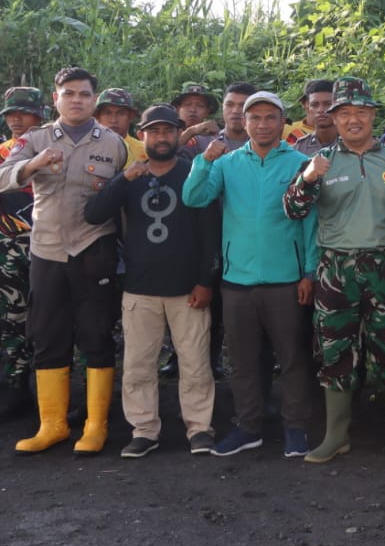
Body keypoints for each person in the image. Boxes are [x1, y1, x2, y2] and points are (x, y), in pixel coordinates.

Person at [283, 77, 385, 463]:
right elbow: (292, 210)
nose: (353, 119)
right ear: (334, 117)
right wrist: (309, 178)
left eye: (361, 111)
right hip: (336, 269)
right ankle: (336, 436)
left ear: (373, 115)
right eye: (345, 113)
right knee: (335, 351)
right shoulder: (321, 161)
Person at [182, 90, 317, 459]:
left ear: (283, 122)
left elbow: (310, 222)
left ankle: (296, 428)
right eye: (254, 117)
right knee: (241, 360)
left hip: (286, 279)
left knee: (292, 358)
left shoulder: (299, 163)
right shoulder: (227, 163)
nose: (262, 124)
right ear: (243, 121)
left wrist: (309, 272)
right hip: (237, 280)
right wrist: (204, 161)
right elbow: (194, 198)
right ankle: (248, 427)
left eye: (270, 117)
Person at [0, 67, 127, 455]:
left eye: (84, 94)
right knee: (47, 335)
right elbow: (3, 176)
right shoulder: (34, 139)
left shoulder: (113, 143)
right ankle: (52, 425)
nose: (76, 100)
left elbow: (124, 198)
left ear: (94, 100)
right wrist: (32, 165)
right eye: (68, 93)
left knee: (96, 335)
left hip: (94, 249)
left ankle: (95, 425)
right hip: (48, 250)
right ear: (55, 99)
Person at [83, 104, 220, 458]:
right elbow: (93, 214)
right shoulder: (130, 177)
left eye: (168, 131)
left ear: (178, 134)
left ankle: (199, 428)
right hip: (139, 288)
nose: (161, 137)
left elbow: (211, 233)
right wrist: (123, 179)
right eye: (154, 131)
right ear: (141, 135)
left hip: (187, 289)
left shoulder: (194, 173)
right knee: (138, 366)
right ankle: (144, 430)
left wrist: (205, 281)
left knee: (195, 364)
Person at [0, 87, 44, 421]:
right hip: (7, 249)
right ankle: (15, 386)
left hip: (46, 247)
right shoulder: (2, 152)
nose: (16, 120)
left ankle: (53, 388)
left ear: (39, 115)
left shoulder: (52, 147)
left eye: (24, 113)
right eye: (10, 114)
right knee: (10, 319)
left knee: (47, 321)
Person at [94, 88, 145, 165]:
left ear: (131, 116)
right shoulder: (87, 148)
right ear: (98, 117)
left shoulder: (144, 151)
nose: (113, 120)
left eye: (121, 113)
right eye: (107, 113)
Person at [173, 82, 221, 160]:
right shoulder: (169, 131)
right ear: (178, 108)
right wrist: (191, 131)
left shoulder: (215, 136)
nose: (193, 110)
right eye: (187, 104)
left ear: (207, 111)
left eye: (200, 106)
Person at [292, 79, 337, 157]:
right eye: (314, 105)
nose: (321, 110)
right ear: (308, 107)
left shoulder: (353, 144)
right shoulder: (298, 150)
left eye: (328, 104)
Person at [214, 82, 258, 151]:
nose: (235, 111)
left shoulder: (266, 144)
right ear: (222, 107)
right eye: (229, 104)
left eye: (242, 105)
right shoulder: (204, 141)